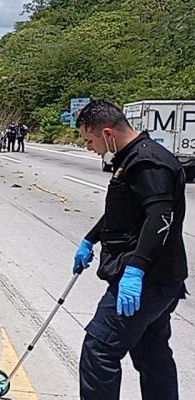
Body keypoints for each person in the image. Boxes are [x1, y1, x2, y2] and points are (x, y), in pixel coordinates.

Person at [72, 100, 187, 400]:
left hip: (148, 279)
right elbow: (123, 212)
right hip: (159, 279)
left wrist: (136, 270)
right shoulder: (130, 158)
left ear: (108, 134)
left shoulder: (147, 163)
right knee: (151, 353)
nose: (89, 147)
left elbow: (159, 218)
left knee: (100, 349)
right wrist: (90, 239)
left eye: (90, 140)